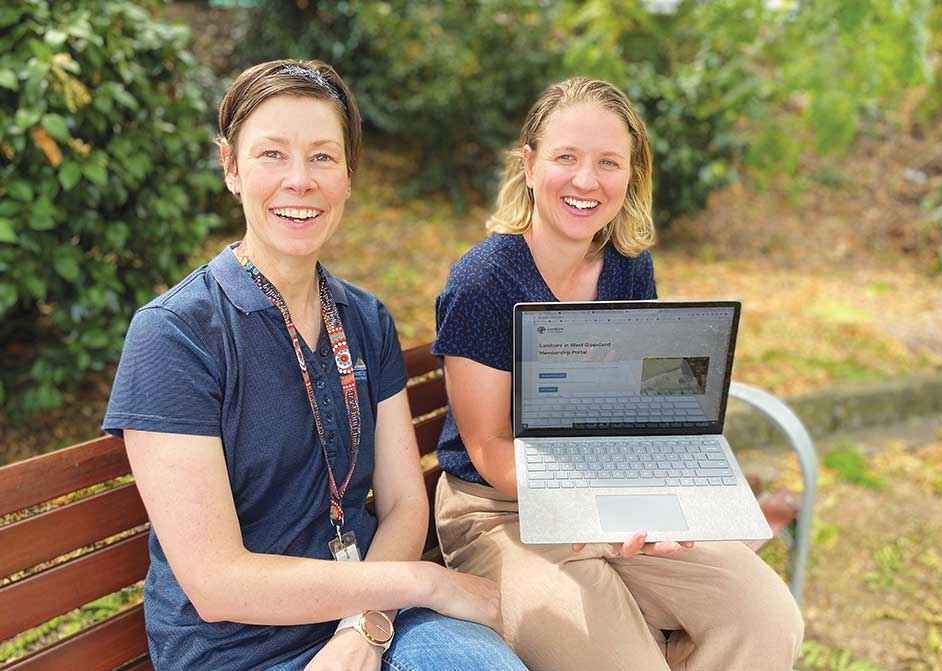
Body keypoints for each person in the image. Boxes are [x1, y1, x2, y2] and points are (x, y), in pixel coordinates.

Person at [102, 59, 528, 671]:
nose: (299, 180)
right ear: (230, 167)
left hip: (372, 614)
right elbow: (217, 583)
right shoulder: (176, 334)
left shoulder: (364, 317)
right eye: (272, 154)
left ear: (348, 177)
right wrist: (423, 584)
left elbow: (406, 503)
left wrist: (366, 625)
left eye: (323, 157)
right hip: (238, 647)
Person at [432, 77, 804, 671]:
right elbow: (487, 447)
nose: (586, 181)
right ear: (529, 165)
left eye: (608, 162)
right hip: (500, 508)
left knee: (766, 619)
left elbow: (641, 408)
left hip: (610, 486)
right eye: (566, 158)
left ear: (631, 176)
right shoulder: (484, 282)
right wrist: (604, 508)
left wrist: (663, 492)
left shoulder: (630, 268)